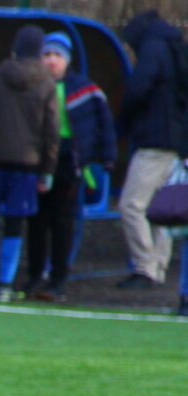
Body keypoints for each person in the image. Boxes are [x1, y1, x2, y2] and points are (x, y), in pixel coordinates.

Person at [0, 25, 60, 300]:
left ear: (15, 49)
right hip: (27, 165)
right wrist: (47, 170)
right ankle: (4, 285)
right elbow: (51, 131)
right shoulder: (46, 84)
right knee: (15, 223)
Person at [25, 33, 116, 302]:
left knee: (63, 223)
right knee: (36, 222)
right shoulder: (33, 87)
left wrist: (106, 159)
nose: (52, 61)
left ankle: (58, 280)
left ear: (67, 60)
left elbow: (104, 126)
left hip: (71, 164)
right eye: (47, 55)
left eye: (57, 56)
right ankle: (34, 276)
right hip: (39, 162)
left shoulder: (85, 89)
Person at [115, 10, 185, 290]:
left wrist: (122, 122)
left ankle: (145, 267)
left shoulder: (152, 48)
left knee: (131, 205)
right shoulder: (174, 46)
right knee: (160, 208)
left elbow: (138, 88)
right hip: (176, 143)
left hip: (155, 141)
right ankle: (158, 265)